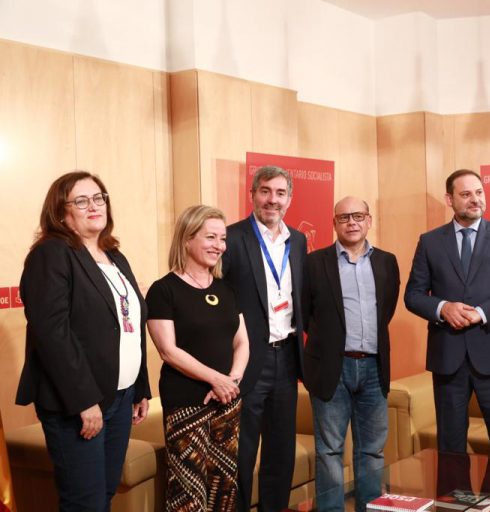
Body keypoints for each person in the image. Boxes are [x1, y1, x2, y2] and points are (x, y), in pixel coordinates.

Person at [15, 171, 151, 511]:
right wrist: (84, 401)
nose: (94, 206)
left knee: (103, 495)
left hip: (120, 396)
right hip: (78, 403)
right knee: (84, 503)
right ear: (60, 212)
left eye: (99, 198)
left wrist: (140, 388)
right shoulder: (51, 254)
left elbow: (130, 325)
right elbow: (52, 334)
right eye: (81, 200)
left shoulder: (115, 256)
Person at [404, 169, 490, 459]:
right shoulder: (430, 242)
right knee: (450, 450)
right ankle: (453, 492)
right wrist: (442, 308)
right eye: (466, 194)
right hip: (448, 358)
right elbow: (413, 295)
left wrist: (482, 313)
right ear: (449, 199)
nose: (475, 199)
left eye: (479, 192)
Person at [146, 205, 249, 511]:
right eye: (211, 237)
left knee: (224, 488)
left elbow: (242, 341)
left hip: (227, 400)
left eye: (222, 238)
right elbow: (168, 350)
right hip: (186, 402)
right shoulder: (163, 290)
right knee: (188, 493)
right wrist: (216, 379)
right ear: (187, 238)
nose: (219, 245)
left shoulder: (226, 289)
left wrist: (231, 381)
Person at [302, 197, 400, 512]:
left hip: (374, 367)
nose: (352, 222)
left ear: (369, 220)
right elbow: (305, 314)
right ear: (334, 223)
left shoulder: (387, 262)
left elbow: (386, 310)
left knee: (372, 451)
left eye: (358, 216)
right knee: (329, 451)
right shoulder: (314, 263)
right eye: (344, 217)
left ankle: (368, 508)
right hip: (332, 367)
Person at [222, 165, 307, 512]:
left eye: (280, 193)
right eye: (265, 191)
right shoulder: (231, 238)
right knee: (241, 453)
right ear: (252, 195)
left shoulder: (298, 240)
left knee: (280, 452)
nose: (273, 200)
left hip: (287, 358)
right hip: (246, 361)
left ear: (290, 198)